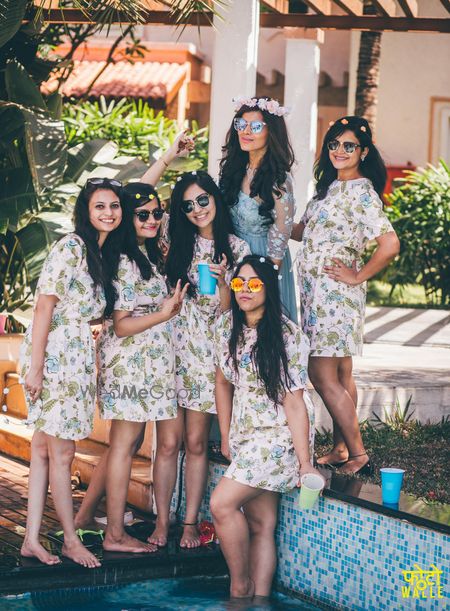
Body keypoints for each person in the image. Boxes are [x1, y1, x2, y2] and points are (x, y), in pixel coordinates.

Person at [74, 183, 188, 554]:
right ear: (127, 216)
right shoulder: (124, 258)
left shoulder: (148, 252)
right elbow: (121, 324)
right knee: (124, 444)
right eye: (143, 214)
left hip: (152, 363)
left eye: (157, 212)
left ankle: (87, 516)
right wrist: (164, 312)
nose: (153, 219)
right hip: (131, 364)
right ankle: (115, 535)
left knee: (128, 444)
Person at [19, 177, 123, 568]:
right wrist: (36, 368)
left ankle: (31, 538)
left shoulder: (97, 252)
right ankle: (70, 540)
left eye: (114, 206)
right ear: (85, 210)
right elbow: (44, 307)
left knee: (44, 451)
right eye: (100, 206)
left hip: (73, 357)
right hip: (56, 358)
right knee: (62, 454)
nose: (109, 213)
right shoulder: (72, 247)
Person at [147, 171, 250, 549]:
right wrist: (169, 157)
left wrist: (224, 281)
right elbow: (133, 202)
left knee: (194, 443)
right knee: (167, 443)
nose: (196, 210)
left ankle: (189, 523)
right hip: (172, 350)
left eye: (202, 200)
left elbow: (232, 308)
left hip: (208, 356)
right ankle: (161, 521)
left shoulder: (235, 248)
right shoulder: (174, 241)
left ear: (215, 200)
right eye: (187, 205)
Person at [291, 116, 400, 475]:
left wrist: (356, 276)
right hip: (315, 295)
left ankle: (358, 454)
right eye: (334, 144)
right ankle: (341, 448)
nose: (339, 151)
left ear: (363, 152)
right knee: (340, 373)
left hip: (334, 296)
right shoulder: (327, 189)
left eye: (348, 145)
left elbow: (389, 244)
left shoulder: (361, 192)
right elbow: (303, 232)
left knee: (321, 374)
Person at [210, 255, 321, 600]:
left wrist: (305, 463)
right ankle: (258, 602)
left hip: (278, 438)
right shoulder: (225, 327)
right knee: (261, 524)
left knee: (221, 505)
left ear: (269, 288)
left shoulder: (288, 336)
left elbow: (294, 403)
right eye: (239, 282)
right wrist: (226, 435)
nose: (245, 289)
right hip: (247, 434)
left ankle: (239, 586)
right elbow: (222, 383)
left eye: (254, 283)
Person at [219, 96, 298, 323]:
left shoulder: (279, 178)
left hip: (266, 258)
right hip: (235, 256)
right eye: (241, 125)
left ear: (270, 132)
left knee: (262, 326)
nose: (246, 131)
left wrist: (268, 275)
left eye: (255, 126)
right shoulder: (234, 169)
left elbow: (282, 229)